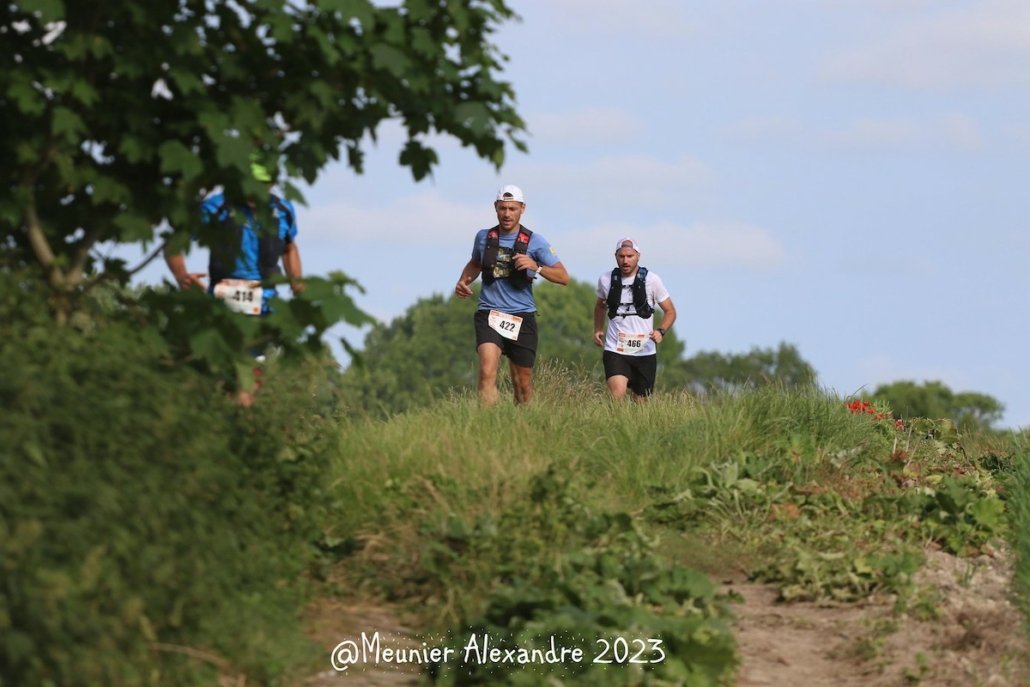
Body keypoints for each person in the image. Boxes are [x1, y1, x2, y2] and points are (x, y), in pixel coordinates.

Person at [164, 161, 304, 405]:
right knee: (226, 372)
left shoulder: (283, 210)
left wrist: (297, 282)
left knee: (248, 374)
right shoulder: (216, 206)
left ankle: (237, 420)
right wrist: (181, 276)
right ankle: (231, 418)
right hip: (221, 302)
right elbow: (174, 243)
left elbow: (290, 247)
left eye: (264, 186)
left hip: (264, 305)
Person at [454, 185, 569, 405]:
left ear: (522, 209)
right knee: (487, 371)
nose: (507, 214)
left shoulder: (536, 241)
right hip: (490, 313)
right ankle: (486, 428)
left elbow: (563, 277)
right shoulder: (483, 237)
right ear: (495, 208)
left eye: (512, 209)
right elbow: (475, 263)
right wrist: (463, 281)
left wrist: (537, 267)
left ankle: (522, 426)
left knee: (522, 384)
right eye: (503, 208)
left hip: (522, 316)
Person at [593, 238, 677, 401]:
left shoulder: (652, 280)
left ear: (638, 256)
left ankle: (633, 426)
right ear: (615, 256)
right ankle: (616, 426)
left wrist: (661, 331)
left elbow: (670, 311)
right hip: (615, 349)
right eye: (621, 256)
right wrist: (597, 329)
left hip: (645, 351)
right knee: (617, 394)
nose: (625, 261)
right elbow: (600, 306)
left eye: (630, 256)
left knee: (641, 403)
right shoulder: (605, 279)